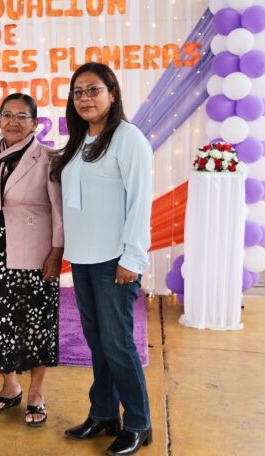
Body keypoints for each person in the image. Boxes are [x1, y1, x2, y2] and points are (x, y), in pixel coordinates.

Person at [51, 63, 154, 455]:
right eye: (78, 92)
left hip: (115, 259)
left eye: (93, 89)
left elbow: (140, 201)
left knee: (118, 343)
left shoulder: (128, 139)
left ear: (112, 92)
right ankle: (104, 413)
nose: (85, 98)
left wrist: (133, 257)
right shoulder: (80, 141)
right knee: (98, 341)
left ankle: (139, 423)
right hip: (83, 257)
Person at [0, 93, 64, 427]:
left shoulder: (49, 158)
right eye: (7, 115)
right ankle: (9, 386)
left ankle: (36, 393)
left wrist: (57, 251)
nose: (13, 122)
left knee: (35, 323)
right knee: (1, 320)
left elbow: (58, 209)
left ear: (35, 123)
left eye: (22, 116)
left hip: (34, 252)